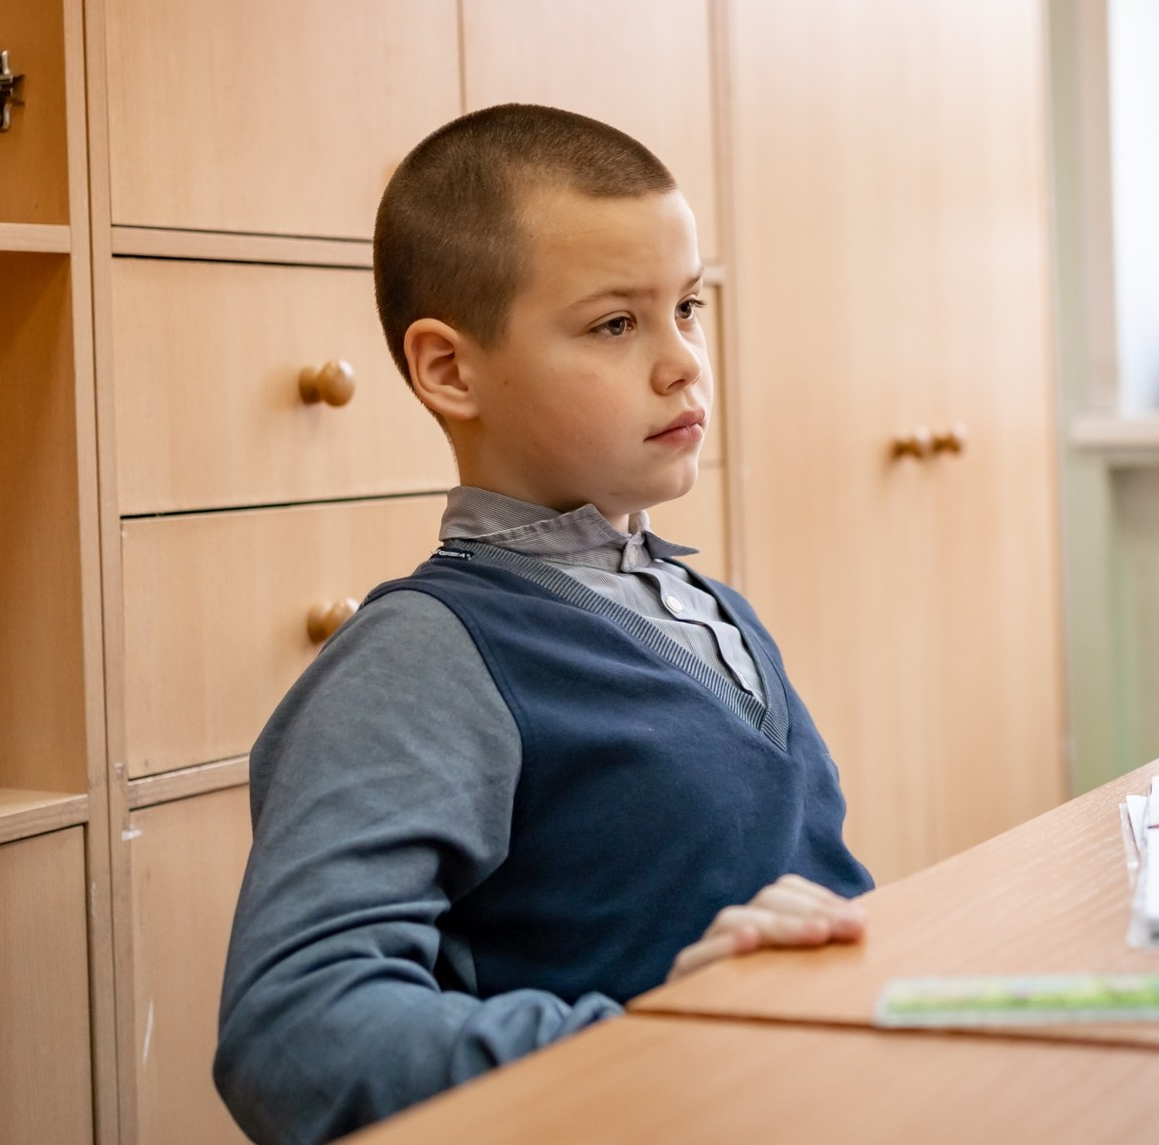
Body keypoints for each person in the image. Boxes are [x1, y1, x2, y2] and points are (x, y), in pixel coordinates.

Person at [214, 104, 875, 1144]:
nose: (682, 364)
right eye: (616, 324)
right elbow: (291, 1038)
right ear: (449, 370)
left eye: (686, 309)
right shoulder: (425, 660)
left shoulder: (707, 607)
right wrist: (648, 1042)